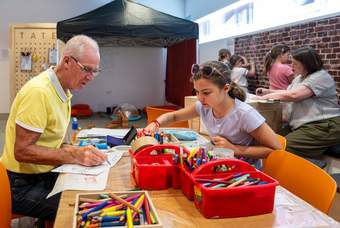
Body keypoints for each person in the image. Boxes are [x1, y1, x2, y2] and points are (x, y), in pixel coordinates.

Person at [0, 35, 107, 222]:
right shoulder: (39, 92)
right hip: (18, 184)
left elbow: (54, 143)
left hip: (41, 174)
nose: (90, 77)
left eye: (95, 71)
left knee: (96, 196)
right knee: (84, 211)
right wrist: (74, 155)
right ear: (67, 61)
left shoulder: (64, 91)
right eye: (86, 70)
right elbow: (22, 151)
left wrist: (79, 151)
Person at [145, 60, 281, 168]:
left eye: (206, 93)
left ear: (226, 88)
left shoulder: (244, 114)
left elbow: (275, 150)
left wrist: (235, 149)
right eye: (196, 92)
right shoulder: (204, 106)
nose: (199, 98)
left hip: (243, 174)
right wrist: (155, 123)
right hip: (220, 166)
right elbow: (174, 116)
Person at [256, 46, 340, 159]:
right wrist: (268, 91)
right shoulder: (300, 78)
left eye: (295, 64)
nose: (292, 66)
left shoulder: (321, 76)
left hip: (324, 125)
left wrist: (265, 97)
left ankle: (313, 167)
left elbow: (295, 95)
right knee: (269, 140)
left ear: (307, 64)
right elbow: (289, 92)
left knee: (281, 148)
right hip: (303, 125)